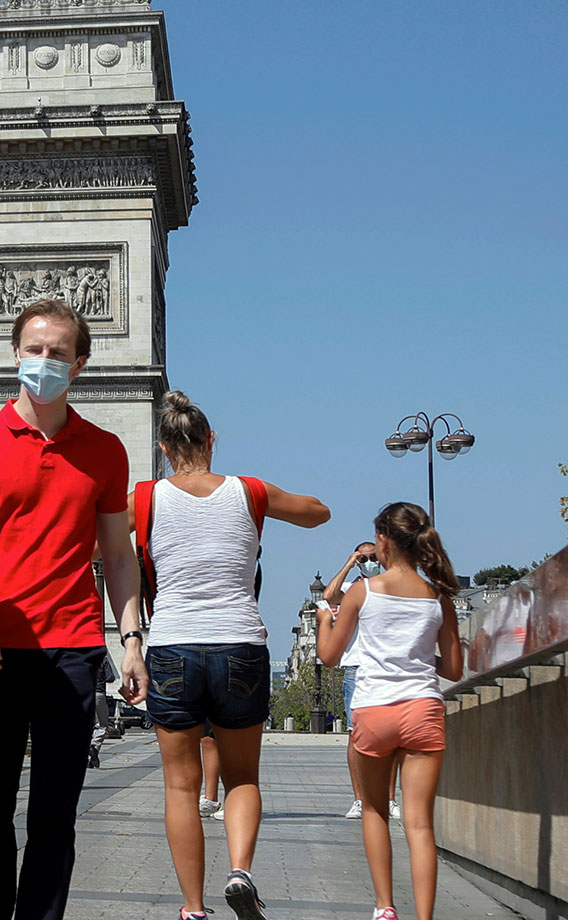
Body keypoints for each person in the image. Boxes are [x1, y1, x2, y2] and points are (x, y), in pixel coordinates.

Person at [0, 299, 149, 920]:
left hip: (75, 648)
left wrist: (131, 640)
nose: (44, 361)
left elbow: (119, 555)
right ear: (14, 353)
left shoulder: (107, 450)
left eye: (58, 352)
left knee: (56, 811)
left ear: (80, 363)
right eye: (34, 348)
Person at [134, 391, 330, 920]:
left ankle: (193, 907)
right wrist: (269, 503)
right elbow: (319, 513)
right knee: (243, 777)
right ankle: (240, 871)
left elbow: (93, 546)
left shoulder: (145, 498)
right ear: (211, 440)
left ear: (163, 448)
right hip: (241, 645)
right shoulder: (249, 491)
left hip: (172, 645)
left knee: (181, 785)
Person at [317, 502, 464, 920]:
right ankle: (424, 916)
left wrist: (323, 621)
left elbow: (329, 656)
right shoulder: (439, 596)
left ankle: (384, 907)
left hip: (375, 710)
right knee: (419, 824)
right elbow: (453, 668)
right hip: (422, 709)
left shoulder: (364, 592)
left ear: (382, 541)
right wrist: (418, 657)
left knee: (375, 809)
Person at [327, 542, 403, 821]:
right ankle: (359, 799)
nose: (370, 562)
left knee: (390, 734)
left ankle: (390, 798)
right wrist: (348, 565)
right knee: (355, 734)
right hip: (357, 667)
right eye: (364, 558)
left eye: (374, 557)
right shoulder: (351, 590)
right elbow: (329, 596)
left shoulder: (390, 586)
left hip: (386, 666)